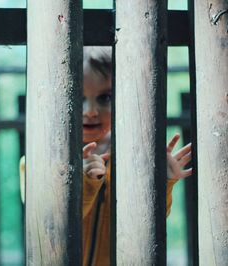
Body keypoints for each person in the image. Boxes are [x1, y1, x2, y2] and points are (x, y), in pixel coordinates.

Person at [20, 46, 192, 265]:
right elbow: (49, 220)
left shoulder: (132, 158)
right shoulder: (36, 162)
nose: (90, 110)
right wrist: (82, 181)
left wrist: (165, 182)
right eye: (77, 96)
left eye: (105, 97)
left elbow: (149, 224)